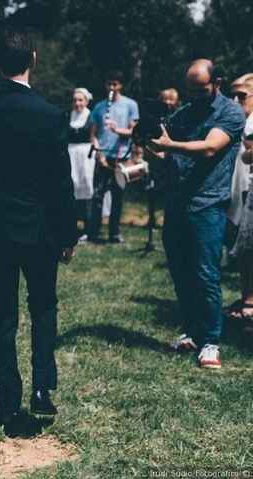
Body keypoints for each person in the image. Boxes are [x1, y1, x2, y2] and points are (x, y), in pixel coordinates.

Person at [0, 25, 78, 428]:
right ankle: (42, 389)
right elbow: (61, 180)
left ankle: (8, 399)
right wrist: (67, 234)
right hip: (39, 229)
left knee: (1, 315)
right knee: (43, 307)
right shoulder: (52, 115)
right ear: (33, 60)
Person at [150, 59, 245, 369]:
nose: (193, 95)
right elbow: (166, 144)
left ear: (216, 82)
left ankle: (211, 341)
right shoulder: (186, 111)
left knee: (206, 275)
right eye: (189, 89)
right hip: (177, 203)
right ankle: (192, 330)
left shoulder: (229, 112)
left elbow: (208, 148)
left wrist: (170, 144)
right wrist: (153, 145)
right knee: (181, 271)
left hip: (207, 204)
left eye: (200, 89)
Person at [87, 70, 139, 244]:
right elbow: (93, 134)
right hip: (103, 156)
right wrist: (97, 150)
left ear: (120, 85)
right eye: (109, 84)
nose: (111, 87)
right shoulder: (99, 106)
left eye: (115, 84)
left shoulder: (130, 105)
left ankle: (114, 233)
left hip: (121, 156)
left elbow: (133, 131)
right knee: (97, 195)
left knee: (118, 196)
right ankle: (93, 232)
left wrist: (117, 130)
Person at [225, 74, 253, 321]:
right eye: (232, 95)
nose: (235, 100)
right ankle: (247, 295)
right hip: (240, 186)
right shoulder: (240, 121)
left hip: (249, 187)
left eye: (242, 95)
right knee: (244, 247)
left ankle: (249, 300)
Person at [68, 87, 94, 241]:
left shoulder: (91, 117)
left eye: (80, 100)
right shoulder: (68, 116)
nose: (77, 103)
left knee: (86, 188)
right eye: (75, 100)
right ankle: (72, 225)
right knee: (72, 187)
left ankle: (88, 227)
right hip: (71, 152)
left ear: (86, 101)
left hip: (86, 154)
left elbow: (94, 137)